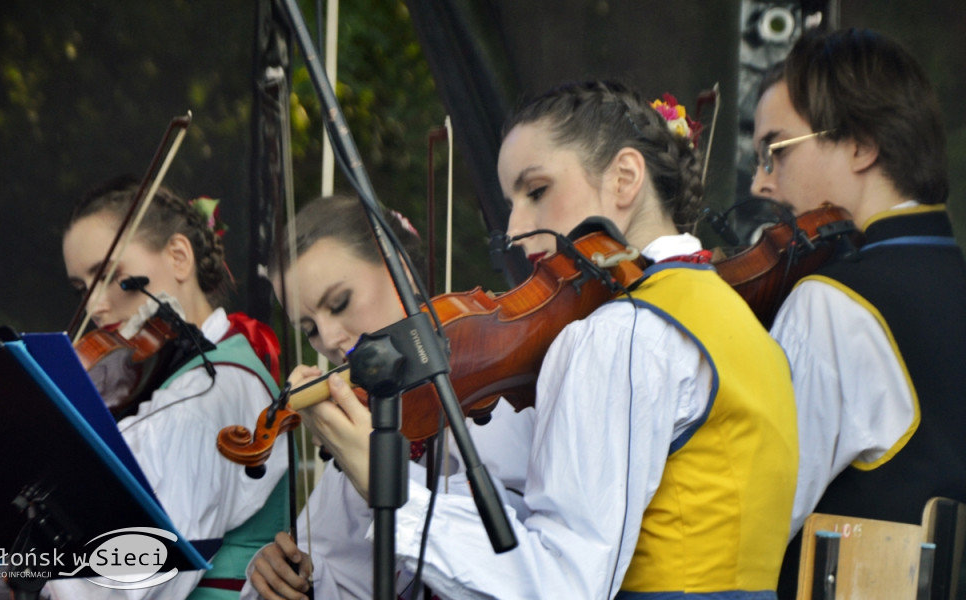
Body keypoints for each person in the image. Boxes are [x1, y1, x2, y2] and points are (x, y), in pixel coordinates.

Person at [290, 80, 799, 598]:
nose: (515, 227)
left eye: (536, 192)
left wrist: (386, 485)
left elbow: (560, 584)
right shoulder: (737, 317)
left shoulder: (622, 334)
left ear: (625, 178)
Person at [750, 27, 966, 596]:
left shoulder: (832, 303)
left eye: (777, 150)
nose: (761, 181)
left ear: (861, 145)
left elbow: (754, 521)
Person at [241, 195, 534, 600]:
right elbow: (349, 576)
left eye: (340, 302)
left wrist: (385, 479)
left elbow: (518, 570)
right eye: (308, 328)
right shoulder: (368, 419)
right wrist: (298, 575)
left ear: (400, 271)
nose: (327, 340)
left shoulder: (499, 396)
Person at [49, 176, 291, 599]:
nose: (94, 306)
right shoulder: (180, 384)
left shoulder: (210, 392)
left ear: (180, 257)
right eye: (82, 288)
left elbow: (132, 578)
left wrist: (22, 571)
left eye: (110, 275)